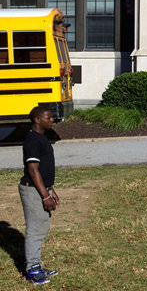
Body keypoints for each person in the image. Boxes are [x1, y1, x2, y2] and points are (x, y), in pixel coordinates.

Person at [18, 105, 60, 285]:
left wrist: (51, 189)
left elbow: (42, 169)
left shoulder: (41, 138)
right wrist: (45, 196)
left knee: (41, 228)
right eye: (48, 117)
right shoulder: (32, 140)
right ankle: (32, 270)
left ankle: (37, 266)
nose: (52, 120)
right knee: (35, 230)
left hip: (42, 189)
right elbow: (33, 170)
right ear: (37, 119)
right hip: (33, 190)